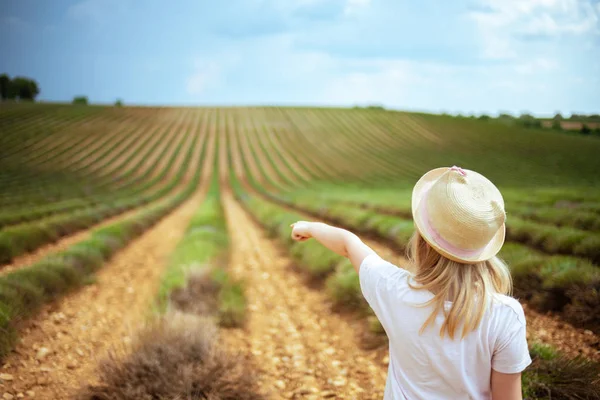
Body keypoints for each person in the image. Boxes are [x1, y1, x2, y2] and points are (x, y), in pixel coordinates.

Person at [290, 166, 532, 400]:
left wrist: (309, 227)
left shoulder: (394, 290)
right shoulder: (505, 315)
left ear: (423, 240)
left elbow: (347, 243)